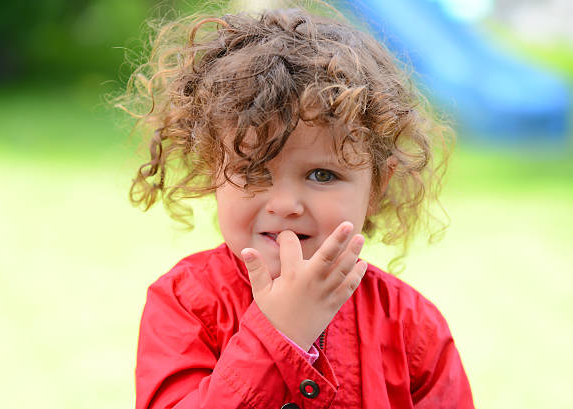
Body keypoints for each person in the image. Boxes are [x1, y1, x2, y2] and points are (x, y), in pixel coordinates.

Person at [117, 3, 474, 408]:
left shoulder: (412, 325)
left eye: (322, 175)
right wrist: (277, 332)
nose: (285, 205)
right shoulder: (187, 303)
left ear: (377, 186)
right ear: (211, 173)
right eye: (253, 171)